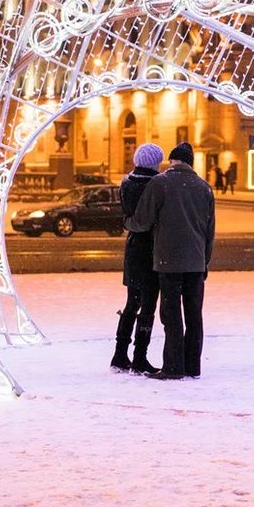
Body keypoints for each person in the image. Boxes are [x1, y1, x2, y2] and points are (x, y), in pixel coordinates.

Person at [127, 141, 215, 379]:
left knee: (171, 314)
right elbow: (209, 232)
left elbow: (142, 221)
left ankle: (173, 367)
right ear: (190, 163)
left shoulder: (160, 183)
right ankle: (192, 366)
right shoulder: (205, 188)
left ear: (172, 161)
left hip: (168, 261)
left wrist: (128, 222)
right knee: (194, 315)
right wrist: (204, 262)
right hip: (196, 263)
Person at [110, 143, 164, 374]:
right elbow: (155, 218)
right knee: (149, 305)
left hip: (133, 249)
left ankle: (120, 354)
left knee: (132, 303)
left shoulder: (126, 183)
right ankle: (140, 355)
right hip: (152, 249)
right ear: (154, 162)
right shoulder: (156, 184)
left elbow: (129, 216)